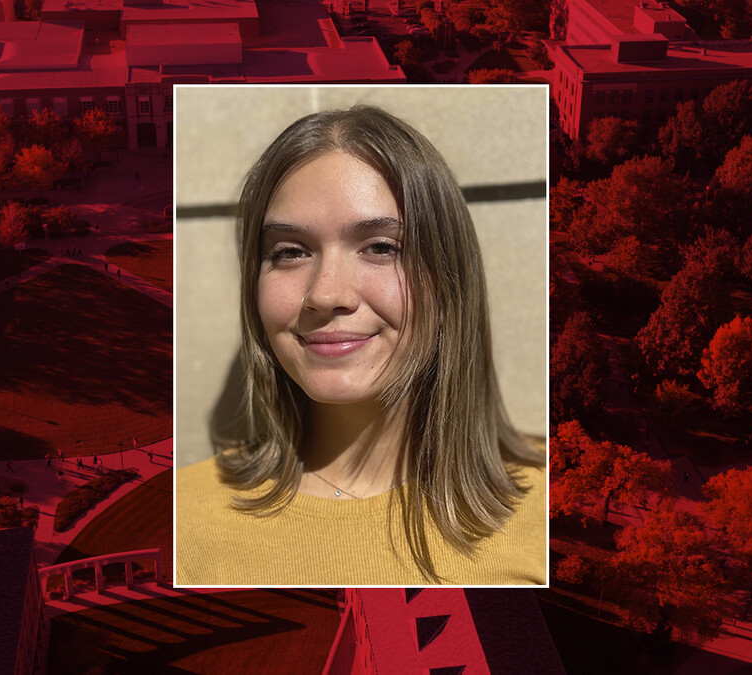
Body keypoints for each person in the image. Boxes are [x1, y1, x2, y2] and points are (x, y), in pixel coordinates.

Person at [176, 106, 546, 586]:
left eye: (381, 247)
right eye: (289, 252)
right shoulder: (184, 521)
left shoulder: (550, 513)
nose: (327, 293)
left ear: (449, 280)